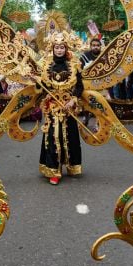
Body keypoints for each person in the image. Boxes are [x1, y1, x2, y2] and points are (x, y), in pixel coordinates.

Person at [39, 31, 84, 185]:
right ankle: (53, 171)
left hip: (68, 107)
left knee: (70, 136)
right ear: (53, 48)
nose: (59, 50)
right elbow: (43, 87)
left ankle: (71, 166)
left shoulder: (74, 64)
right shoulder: (46, 65)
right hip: (53, 107)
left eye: (61, 47)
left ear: (66, 49)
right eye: (57, 47)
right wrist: (36, 80)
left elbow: (79, 87)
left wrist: (73, 100)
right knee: (54, 137)